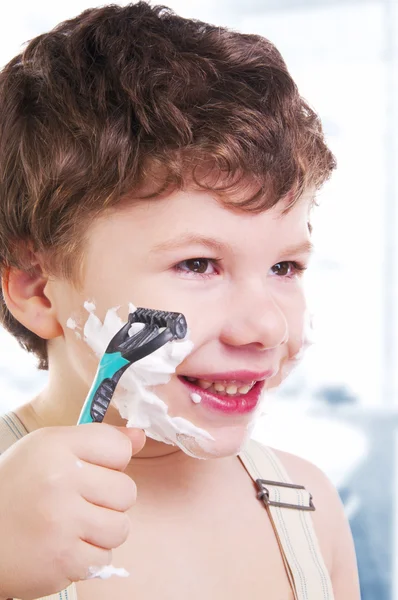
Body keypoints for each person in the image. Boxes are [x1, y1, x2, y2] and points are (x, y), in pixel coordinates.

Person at [0, 3, 360, 599]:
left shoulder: (308, 508)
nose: (266, 326)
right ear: (39, 288)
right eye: (198, 264)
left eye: (284, 266)